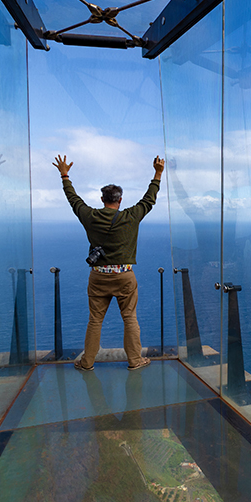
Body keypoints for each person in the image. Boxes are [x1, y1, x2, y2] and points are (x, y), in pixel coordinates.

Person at [54, 153, 164, 371]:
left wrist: (65, 175)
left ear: (102, 200)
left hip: (99, 276)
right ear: (120, 200)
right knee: (130, 318)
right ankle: (134, 360)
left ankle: (87, 362)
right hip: (124, 276)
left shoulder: (90, 216)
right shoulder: (131, 216)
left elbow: (73, 200)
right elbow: (149, 199)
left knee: (95, 320)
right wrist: (158, 173)